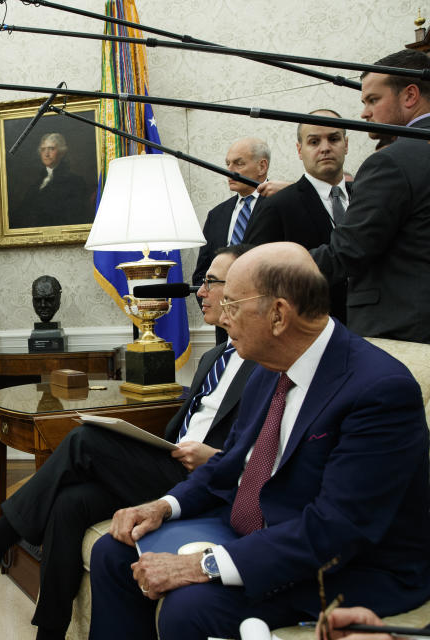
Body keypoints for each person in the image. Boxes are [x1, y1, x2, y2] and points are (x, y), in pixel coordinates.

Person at [0, 246, 257, 640]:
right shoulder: (214, 357)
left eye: (211, 282)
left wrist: (216, 457)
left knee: (84, 440)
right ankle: (50, 631)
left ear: (241, 291)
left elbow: (265, 454)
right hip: (168, 461)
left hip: (201, 481)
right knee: (70, 503)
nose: (200, 291)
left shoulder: (262, 364)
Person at [88, 243, 430, 640]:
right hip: (260, 528)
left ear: (278, 315)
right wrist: (163, 506)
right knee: (114, 552)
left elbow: (337, 527)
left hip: (346, 564)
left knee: (190, 608)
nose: (223, 317)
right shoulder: (268, 366)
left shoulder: (379, 390)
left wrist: (204, 565)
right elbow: (229, 461)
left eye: (232, 304)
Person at [311, 49, 430, 344]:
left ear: (410, 95)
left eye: (373, 100)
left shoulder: (393, 161)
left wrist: (269, 267)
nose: (365, 113)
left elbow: (349, 251)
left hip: (402, 334)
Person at [243, 110, 350, 324]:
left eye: (334, 138)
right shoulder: (277, 206)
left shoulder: (367, 197)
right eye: (314, 141)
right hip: (308, 331)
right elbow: (255, 274)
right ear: (299, 150)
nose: (325, 147)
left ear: (346, 144)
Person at [192, 137, 270, 342]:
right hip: (224, 331)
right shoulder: (217, 215)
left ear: (262, 166)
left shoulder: (282, 204)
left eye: (239, 163)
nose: (229, 170)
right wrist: (219, 313)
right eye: (228, 164)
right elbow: (201, 272)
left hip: (266, 326)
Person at [11, 132, 91, 229]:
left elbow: (74, 217)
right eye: (43, 149)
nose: (46, 154)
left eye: (51, 149)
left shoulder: (75, 182)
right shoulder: (36, 185)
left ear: (61, 153)